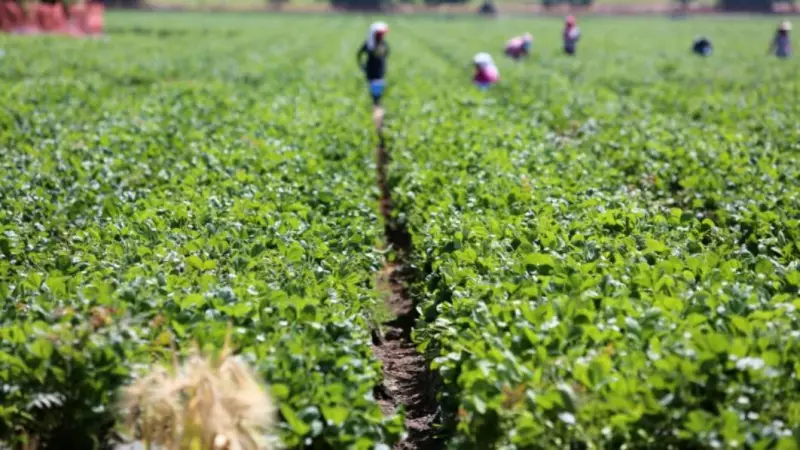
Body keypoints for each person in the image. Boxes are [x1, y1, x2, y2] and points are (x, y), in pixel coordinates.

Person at [357, 22, 390, 106]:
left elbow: (387, 53)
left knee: (379, 86)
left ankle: (377, 101)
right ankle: (375, 102)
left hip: (380, 69)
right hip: (371, 69)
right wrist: (361, 65)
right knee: (373, 86)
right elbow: (359, 54)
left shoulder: (383, 44)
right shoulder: (369, 44)